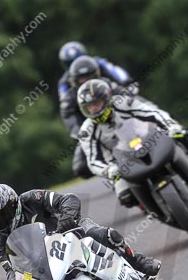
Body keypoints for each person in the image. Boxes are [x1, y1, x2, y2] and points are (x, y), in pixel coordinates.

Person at [0, 184, 161, 280]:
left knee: (103, 235)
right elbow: (11, 270)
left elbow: (68, 199)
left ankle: (138, 261)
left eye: (3, 214)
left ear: (14, 204)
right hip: (46, 267)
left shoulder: (32, 198)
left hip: (70, 233)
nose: (1, 221)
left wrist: (67, 217)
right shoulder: (0, 242)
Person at [76, 79, 188, 211]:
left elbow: (152, 113)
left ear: (107, 98)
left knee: (182, 134)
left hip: (147, 139)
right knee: (126, 197)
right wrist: (108, 170)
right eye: (89, 107)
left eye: (96, 104)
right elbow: (92, 160)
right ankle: (149, 208)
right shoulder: (86, 131)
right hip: (119, 162)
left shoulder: (124, 103)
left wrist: (170, 126)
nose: (94, 109)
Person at [57, 42, 133, 179]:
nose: (77, 65)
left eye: (89, 75)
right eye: (71, 63)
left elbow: (121, 76)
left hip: (116, 110)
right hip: (90, 120)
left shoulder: (100, 65)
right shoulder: (64, 84)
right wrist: (79, 133)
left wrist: (127, 87)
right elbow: (66, 109)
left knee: (145, 109)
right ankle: (109, 170)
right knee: (81, 167)